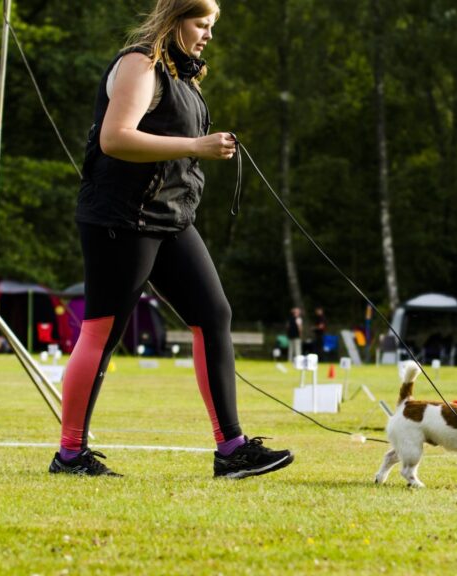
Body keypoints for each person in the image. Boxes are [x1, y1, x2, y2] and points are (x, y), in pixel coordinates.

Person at [50, 0, 294, 479]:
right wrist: (196, 146)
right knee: (103, 330)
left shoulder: (184, 78)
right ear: (175, 18)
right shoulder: (140, 65)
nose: (207, 35)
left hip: (171, 218)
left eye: (211, 26)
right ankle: (70, 455)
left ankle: (232, 450)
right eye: (201, 24)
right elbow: (115, 138)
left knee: (213, 313)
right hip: (121, 218)